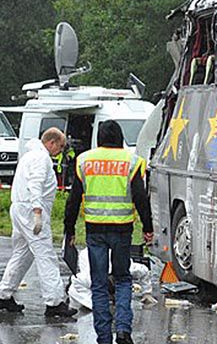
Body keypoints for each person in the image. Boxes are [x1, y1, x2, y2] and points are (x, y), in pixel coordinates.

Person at [64, 120, 153, 344]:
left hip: (95, 229)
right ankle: (123, 330)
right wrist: (148, 228)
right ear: (120, 137)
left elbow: (73, 199)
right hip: (122, 229)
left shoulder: (84, 160)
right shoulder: (131, 161)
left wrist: (69, 228)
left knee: (99, 282)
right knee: (123, 279)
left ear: (99, 138)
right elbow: (141, 198)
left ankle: (103, 336)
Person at [0, 127, 78, 317]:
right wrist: (37, 211)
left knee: (22, 254)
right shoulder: (41, 158)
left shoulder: (29, 156)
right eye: (59, 147)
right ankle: (54, 301)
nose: (59, 151)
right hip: (30, 211)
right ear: (51, 143)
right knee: (46, 255)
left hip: (20, 209)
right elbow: (35, 183)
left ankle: (4, 294)